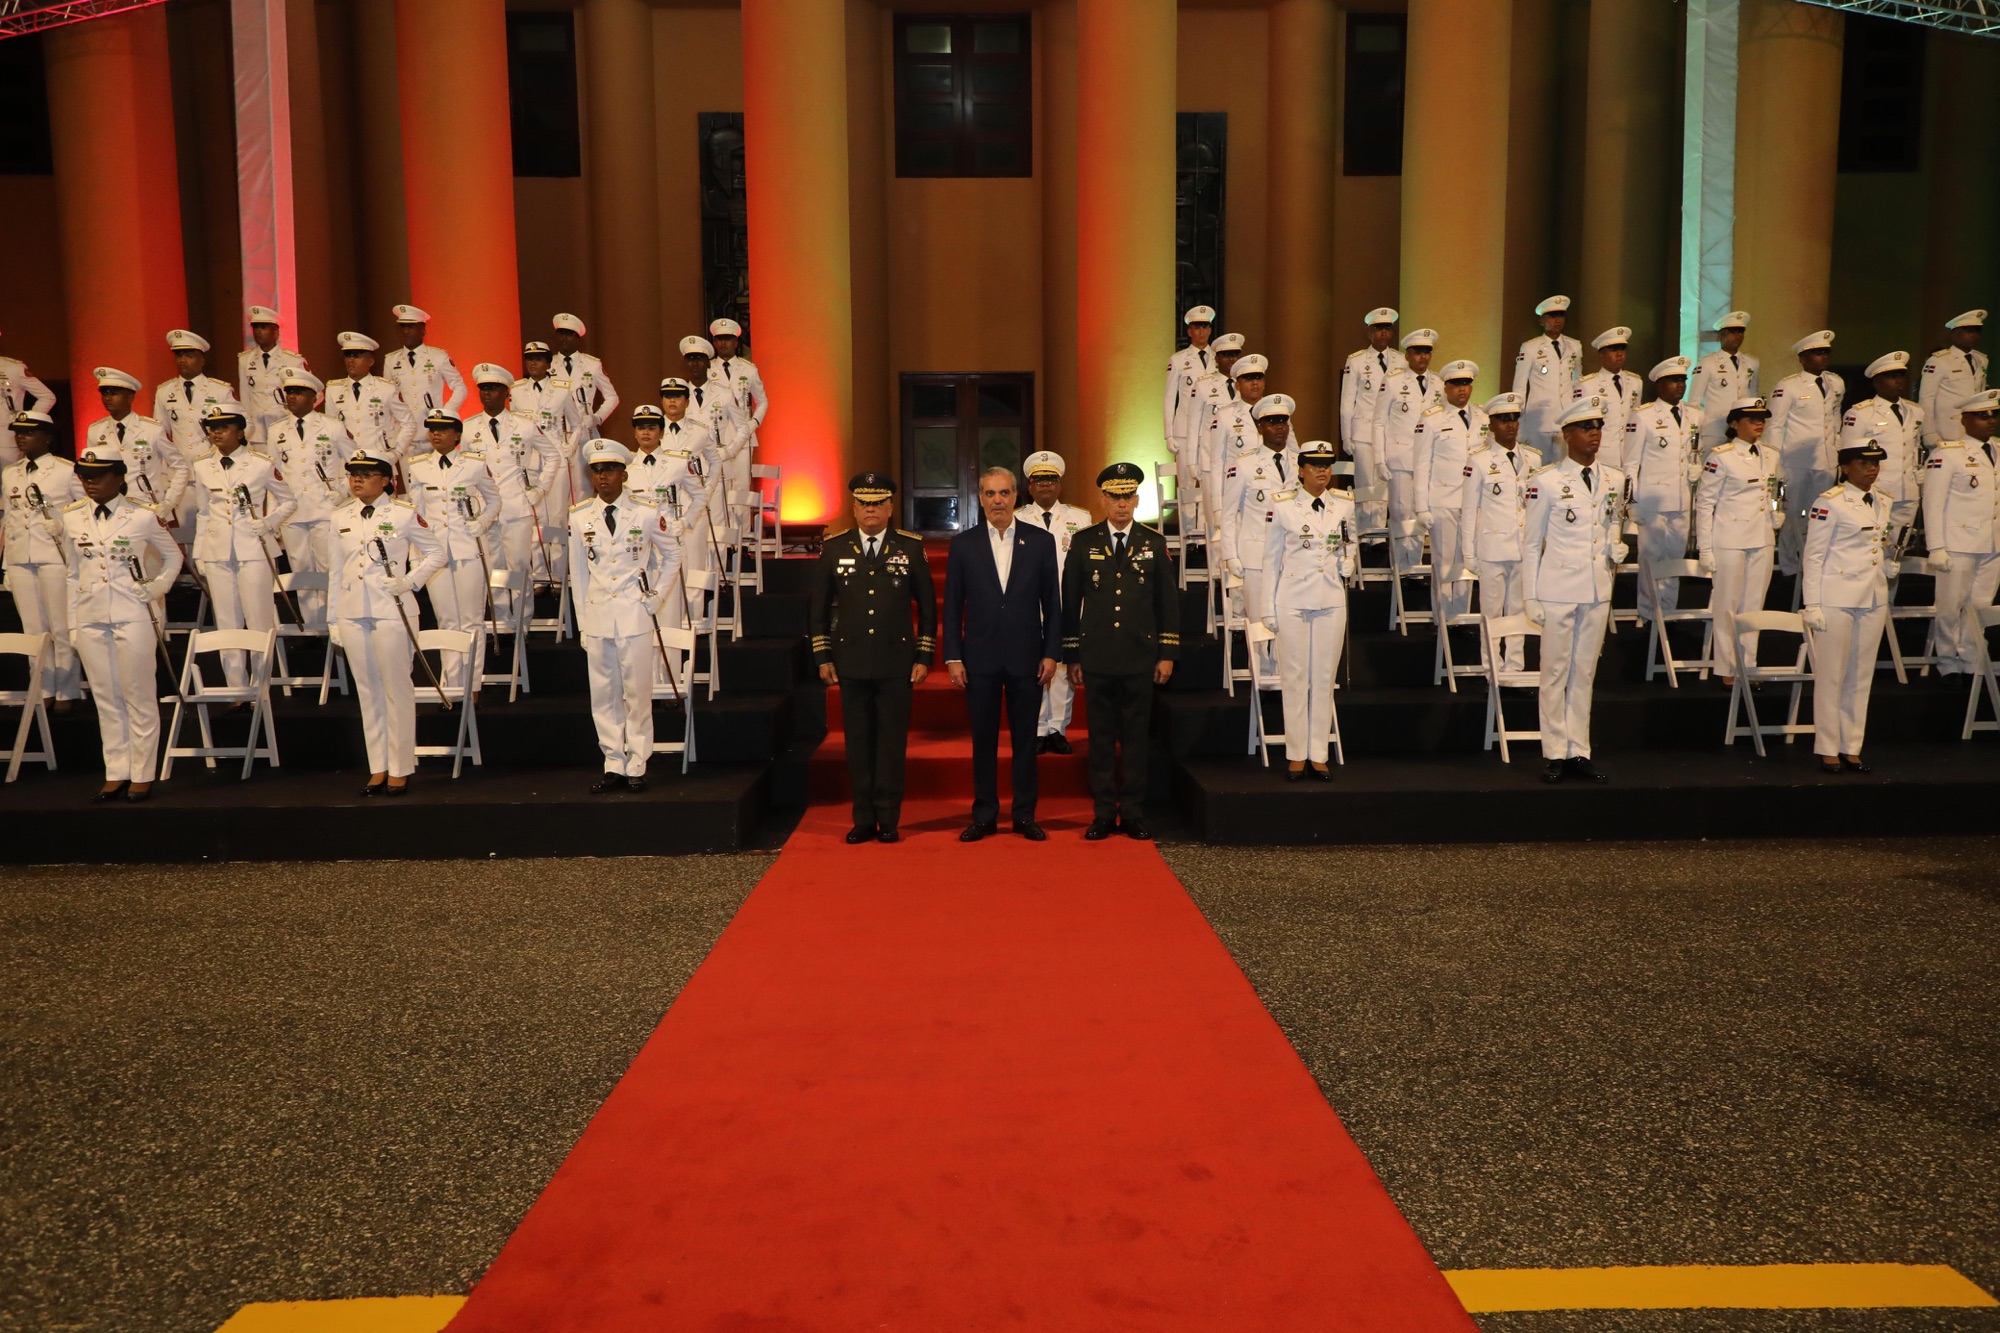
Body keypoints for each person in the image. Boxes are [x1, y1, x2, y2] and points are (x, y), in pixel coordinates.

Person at [809, 472, 936, 844]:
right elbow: (818, 609)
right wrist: (823, 655)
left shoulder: (909, 547)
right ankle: (863, 818)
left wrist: (924, 655)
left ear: (890, 507)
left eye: (878, 503)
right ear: (854, 507)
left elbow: (928, 608)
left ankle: (889, 818)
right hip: (850, 661)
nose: (871, 510)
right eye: (864, 503)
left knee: (891, 744)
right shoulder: (835, 548)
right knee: (858, 745)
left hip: (896, 662)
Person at [942, 465, 1061, 842]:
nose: (998, 500)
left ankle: (1024, 815)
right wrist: (953, 656)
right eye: (991, 493)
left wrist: (1051, 652)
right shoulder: (964, 544)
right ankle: (984, 815)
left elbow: (1052, 604)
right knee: (983, 742)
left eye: (1004, 493)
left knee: (1026, 741)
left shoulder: (1040, 541)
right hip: (980, 659)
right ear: (980, 498)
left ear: (1015, 496)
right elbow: (952, 605)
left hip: (1027, 658)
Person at [1062, 461, 1179, 838]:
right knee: (1099, 738)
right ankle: (1101, 812)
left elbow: (1167, 603)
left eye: (1128, 496)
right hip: (1097, 656)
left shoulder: (1153, 542)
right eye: (1115, 497)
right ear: (1103, 500)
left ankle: (1131, 811)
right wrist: (1072, 654)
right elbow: (1070, 602)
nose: (1122, 504)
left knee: (1134, 738)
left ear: (1137, 499)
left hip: (1139, 655)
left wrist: (1167, 653)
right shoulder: (1084, 542)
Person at [61, 442, 182, 801]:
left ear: (118, 477)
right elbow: (72, 573)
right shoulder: (72, 516)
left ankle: (142, 772)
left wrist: (157, 586)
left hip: (133, 614)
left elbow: (173, 555)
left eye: (98, 476)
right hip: (91, 615)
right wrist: (73, 624)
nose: (89, 483)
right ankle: (116, 770)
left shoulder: (141, 515)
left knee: (138, 694)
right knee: (106, 697)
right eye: (85, 476)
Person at [1523, 395, 1628, 783]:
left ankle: (1579, 749)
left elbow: (1611, 520)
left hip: (1597, 587)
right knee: (1554, 672)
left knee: (1584, 672)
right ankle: (1555, 751)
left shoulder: (1614, 478)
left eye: (1598, 427)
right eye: (1586, 428)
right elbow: (1531, 544)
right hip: (1558, 588)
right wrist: (1530, 595)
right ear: (1567, 435)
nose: (1594, 433)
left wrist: (1615, 544)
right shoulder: (1546, 481)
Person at [330, 444, 444, 796]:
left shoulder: (403, 514)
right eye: (353, 475)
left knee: (396, 689)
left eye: (365, 475)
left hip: (391, 609)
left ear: (385, 480)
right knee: (368, 691)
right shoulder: (340, 516)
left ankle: (400, 767)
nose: (357, 480)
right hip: (353, 610)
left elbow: (437, 552)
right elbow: (336, 571)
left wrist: (409, 581)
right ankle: (377, 766)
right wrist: (333, 617)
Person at [570, 441, 682, 793]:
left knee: (637, 693)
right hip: (599, 615)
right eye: (597, 471)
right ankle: (613, 763)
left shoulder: (645, 513)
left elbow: (673, 555)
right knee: (603, 696)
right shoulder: (580, 516)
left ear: (624, 474)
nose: (603, 477)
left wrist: (657, 595)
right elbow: (579, 574)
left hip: (634, 614)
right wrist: (583, 624)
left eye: (610, 470)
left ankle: (637, 762)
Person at [1260, 441, 1355, 781]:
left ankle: (1319, 753)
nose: (1322, 471)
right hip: (1293, 598)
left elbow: (1348, 541)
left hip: (1330, 598)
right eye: (1315, 465)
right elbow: (1270, 559)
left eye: (1327, 465)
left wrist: (1349, 561)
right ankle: (1297, 753)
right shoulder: (1283, 504)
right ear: (1301, 470)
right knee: (1295, 677)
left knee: (1324, 678)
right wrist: (1267, 608)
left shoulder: (1343, 503)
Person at [1801, 440, 1893, 772]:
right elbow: (1814, 556)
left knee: (1860, 674)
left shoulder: (1883, 500)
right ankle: (1828, 746)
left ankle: (1851, 745)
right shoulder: (1830, 502)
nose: (1872, 469)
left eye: (1875, 464)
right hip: (1836, 596)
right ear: (1844, 468)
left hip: (1872, 595)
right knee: (1832, 674)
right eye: (1863, 464)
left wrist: (1887, 565)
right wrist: (1812, 603)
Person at [189, 403, 295, 688]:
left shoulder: (261, 463)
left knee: (258, 618)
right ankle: (236, 689)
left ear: (240, 431)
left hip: (254, 548)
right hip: (217, 550)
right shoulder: (202, 465)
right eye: (212, 428)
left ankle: (261, 687)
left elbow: (288, 501)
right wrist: (199, 552)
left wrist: (268, 523)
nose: (216, 433)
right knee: (226, 622)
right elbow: (203, 512)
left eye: (224, 427)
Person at [406, 409, 501, 681]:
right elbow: (416, 514)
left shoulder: (474, 464)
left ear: (457, 435)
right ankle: (452, 680)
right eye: (432, 429)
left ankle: (472, 682)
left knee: (471, 620)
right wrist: (416, 555)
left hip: (468, 548)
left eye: (442, 429)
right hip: (435, 552)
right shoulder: (418, 466)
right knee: (446, 620)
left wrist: (482, 522)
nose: (435, 434)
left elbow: (494, 499)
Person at [1694, 397, 1783, 685]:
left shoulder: (1770, 454)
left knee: (1754, 605)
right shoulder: (1721, 456)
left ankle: (1748, 665)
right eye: (1752, 419)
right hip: (1729, 539)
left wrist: (1774, 513)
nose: (1759, 424)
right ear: (1734, 423)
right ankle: (1727, 668)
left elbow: (1771, 492)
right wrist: (1705, 548)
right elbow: (1704, 504)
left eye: (1762, 419)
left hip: (1761, 537)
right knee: (1727, 605)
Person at [2, 411, 85, 705]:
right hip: (20, 556)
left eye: (29, 432)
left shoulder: (65, 470)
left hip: (54, 555)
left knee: (60, 626)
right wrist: (5, 565)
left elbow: (84, 512)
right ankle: (43, 687)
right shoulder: (10, 472)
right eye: (18, 432)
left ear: (47, 437)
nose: (21, 437)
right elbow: (9, 519)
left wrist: (63, 527)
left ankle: (67, 689)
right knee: (33, 629)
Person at [464, 362, 560, 610]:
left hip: (516, 506)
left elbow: (553, 455)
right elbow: (463, 468)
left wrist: (540, 489)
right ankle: (502, 619)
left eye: (493, 388)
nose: (487, 393)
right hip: (485, 509)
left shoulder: (524, 425)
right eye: (483, 388)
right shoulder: (468, 428)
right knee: (493, 567)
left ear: (506, 393)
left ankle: (521, 620)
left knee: (518, 565)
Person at [1219, 394, 1301, 681]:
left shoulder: (1300, 463)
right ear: (1260, 427)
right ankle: (1261, 680)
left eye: (1283, 421)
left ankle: (1285, 676)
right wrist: (1230, 555)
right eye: (1272, 422)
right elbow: (1229, 513)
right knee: (1258, 623)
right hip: (1255, 556)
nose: (1279, 427)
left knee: (1287, 619)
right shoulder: (1243, 464)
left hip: (1291, 555)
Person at [264, 367, 354, 627]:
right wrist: (273, 517)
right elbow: (273, 476)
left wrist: (342, 491)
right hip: (291, 511)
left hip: (325, 508)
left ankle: (334, 623)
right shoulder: (276, 430)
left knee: (329, 566)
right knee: (301, 568)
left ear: (314, 397)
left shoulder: (332, 426)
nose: (291, 396)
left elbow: (355, 464)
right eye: (289, 392)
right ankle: (312, 625)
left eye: (298, 392)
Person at [1919, 388, 2000, 675]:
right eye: (1982, 416)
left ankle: (1971, 658)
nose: (1990, 421)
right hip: (1958, 542)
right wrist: (1936, 546)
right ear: (1964, 420)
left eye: (1994, 415)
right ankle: (1947, 663)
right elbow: (1932, 502)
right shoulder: (1948, 454)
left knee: (1980, 606)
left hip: (1993, 543)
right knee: (1950, 607)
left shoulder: (1998, 449)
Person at [1019, 450, 1093, 752]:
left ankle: (1057, 729)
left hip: (1067, 603)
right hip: (1030, 605)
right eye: (1039, 480)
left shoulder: (1081, 518)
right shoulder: (1019, 518)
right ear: (1030, 486)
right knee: (1035, 666)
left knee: (1063, 668)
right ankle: (1038, 729)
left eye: (1051, 479)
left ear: (1060, 484)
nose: (1046, 485)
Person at [1624, 355, 1701, 619]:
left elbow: (1695, 452)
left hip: (1682, 498)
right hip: (1653, 501)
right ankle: (1648, 613)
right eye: (1673, 380)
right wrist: (1631, 502)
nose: (1680, 385)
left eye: (1682, 380)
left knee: (1674, 558)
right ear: (1659, 384)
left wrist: (1698, 467)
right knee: (1651, 558)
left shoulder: (1694, 415)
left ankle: (1667, 612)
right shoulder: (1643, 416)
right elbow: (1630, 464)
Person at [1459, 393, 1532, 669]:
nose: (1510, 425)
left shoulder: (1532, 459)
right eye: (1503, 420)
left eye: (1514, 419)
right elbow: (1469, 510)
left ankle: (1515, 666)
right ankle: (1492, 666)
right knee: (1491, 611)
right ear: (1491, 425)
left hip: (1523, 546)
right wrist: (1468, 552)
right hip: (1492, 548)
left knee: (1519, 610)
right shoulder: (1478, 461)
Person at [1768, 330, 1845, 576]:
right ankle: (1789, 566)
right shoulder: (1788, 386)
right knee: (1793, 513)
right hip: (1796, 461)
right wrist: (1774, 462)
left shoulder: (1836, 383)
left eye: (1826, 352)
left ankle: (1813, 564)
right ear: (1803, 358)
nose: (1824, 357)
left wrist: (1838, 450)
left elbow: (1835, 418)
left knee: (1819, 514)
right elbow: (1775, 425)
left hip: (1826, 459)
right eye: (1817, 353)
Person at [1414, 359, 1485, 621]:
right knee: (1444, 562)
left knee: (1468, 560)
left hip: (1474, 502)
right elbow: (1421, 465)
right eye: (1456, 384)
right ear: (1445, 388)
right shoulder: (1432, 418)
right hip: (1443, 501)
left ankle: (1461, 617)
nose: (1462, 389)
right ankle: (1443, 620)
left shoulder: (1483, 417)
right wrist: (1421, 507)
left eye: (1466, 383)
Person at [1837, 351, 1924, 539]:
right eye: (1891, 376)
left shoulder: (1915, 411)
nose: (1899, 380)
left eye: (1901, 375)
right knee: (1872, 543)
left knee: (1899, 547)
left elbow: (1915, 447)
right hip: (1876, 489)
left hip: (1908, 491)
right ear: (1876, 382)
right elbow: (1847, 456)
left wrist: (1919, 470)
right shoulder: (1860, 413)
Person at [1374, 328, 1442, 565]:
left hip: (1429, 460)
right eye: (1418, 352)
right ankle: (1400, 567)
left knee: (1421, 512)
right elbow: (1379, 422)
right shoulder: (1393, 381)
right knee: (1402, 513)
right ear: (1407, 355)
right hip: (1401, 458)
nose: (1423, 357)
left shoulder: (1439, 383)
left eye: (1427, 352)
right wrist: (1379, 460)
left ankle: (1413, 565)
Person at [86, 367, 188, 525]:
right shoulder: (96, 430)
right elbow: (91, 472)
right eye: (105, 393)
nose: (108, 398)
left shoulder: (152, 429)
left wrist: (169, 502)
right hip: (112, 509)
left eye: (114, 393)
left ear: (130, 397)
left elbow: (181, 467)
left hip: (147, 508)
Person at [1339, 306, 1401, 529]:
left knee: (1385, 483)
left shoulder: (1400, 360)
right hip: (1364, 430)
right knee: (1366, 483)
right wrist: (1346, 436)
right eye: (1379, 328)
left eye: (1387, 328)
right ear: (1370, 333)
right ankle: (1365, 533)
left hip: (1390, 432)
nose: (1383, 333)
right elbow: (1347, 400)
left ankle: (1380, 532)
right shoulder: (1356, 361)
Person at [329, 332, 419, 472]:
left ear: (370, 361)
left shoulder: (386, 388)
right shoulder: (333, 390)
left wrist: (395, 454)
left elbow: (409, 424)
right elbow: (331, 430)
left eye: (357, 355)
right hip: (346, 465)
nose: (351, 360)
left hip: (378, 462)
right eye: (348, 355)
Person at [1513, 295, 1582, 464]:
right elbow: (1519, 387)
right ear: (1542, 321)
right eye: (1552, 316)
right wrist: (1520, 424)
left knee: (1565, 468)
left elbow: (1578, 383)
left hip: (1566, 418)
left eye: (1561, 315)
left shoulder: (1574, 346)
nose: (1557, 320)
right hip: (1539, 419)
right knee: (1538, 467)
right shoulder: (1530, 347)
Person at [152, 330, 236, 461]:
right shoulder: (164, 391)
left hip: (212, 461)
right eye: (179, 356)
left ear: (201, 360)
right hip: (178, 462)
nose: (182, 360)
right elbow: (159, 433)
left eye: (189, 356)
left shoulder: (220, 390)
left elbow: (241, 425)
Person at [385, 304, 468, 431]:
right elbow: (388, 397)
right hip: (402, 431)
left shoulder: (438, 357)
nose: (406, 331)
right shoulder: (391, 360)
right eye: (403, 326)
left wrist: (444, 413)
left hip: (431, 430)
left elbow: (460, 388)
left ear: (422, 330)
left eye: (411, 327)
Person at [238, 305, 308, 446]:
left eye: (263, 327)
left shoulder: (292, 360)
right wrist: (246, 429)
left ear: (275, 332)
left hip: (285, 428)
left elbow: (314, 393)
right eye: (255, 327)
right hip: (257, 433)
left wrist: (294, 411)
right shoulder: (245, 360)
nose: (258, 331)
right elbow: (245, 398)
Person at [1918, 310, 1987, 451]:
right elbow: (1926, 399)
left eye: (1977, 331)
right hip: (1947, 433)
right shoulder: (1939, 360)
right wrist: (1928, 432)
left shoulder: (1981, 360)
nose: (1974, 335)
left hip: (1974, 431)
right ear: (1954, 333)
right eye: (1968, 331)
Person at [1690, 311, 1759, 449]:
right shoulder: (1707, 363)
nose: (1737, 336)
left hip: (1741, 430)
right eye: (1732, 332)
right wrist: (1694, 432)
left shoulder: (1752, 363)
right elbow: (1694, 402)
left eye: (1741, 332)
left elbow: (1752, 396)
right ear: (1720, 335)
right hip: (1714, 429)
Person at [551, 313, 620, 440]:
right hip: (557, 433)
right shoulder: (547, 366)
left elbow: (612, 397)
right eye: (561, 334)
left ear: (577, 338)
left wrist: (597, 417)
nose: (564, 338)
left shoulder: (592, 364)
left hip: (585, 433)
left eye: (569, 334)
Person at [1575, 327, 1642, 445]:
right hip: (1602, 449)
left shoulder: (1635, 382)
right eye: (1613, 350)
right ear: (1601, 354)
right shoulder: (1587, 385)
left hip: (1628, 447)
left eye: (1622, 349)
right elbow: (1581, 423)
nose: (1619, 354)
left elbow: (1635, 419)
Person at [1165, 305, 1217, 454]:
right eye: (1197, 327)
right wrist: (1169, 434)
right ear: (1189, 332)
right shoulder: (1178, 360)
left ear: (1210, 330)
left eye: (1205, 327)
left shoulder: (1218, 358)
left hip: (1213, 428)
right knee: (1187, 470)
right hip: (1185, 430)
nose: (1201, 332)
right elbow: (1169, 398)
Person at [0, 331, 57, 468]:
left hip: (5, 439)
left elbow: (47, 397)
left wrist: (25, 421)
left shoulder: (12, 368)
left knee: (9, 478)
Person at [709, 317, 767, 445]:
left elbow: (762, 401)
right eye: (720, 339)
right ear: (714, 343)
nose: (723, 343)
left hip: (743, 435)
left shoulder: (749, 369)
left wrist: (754, 422)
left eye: (728, 339)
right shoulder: (707, 371)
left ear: (736, 343)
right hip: (716, 435)